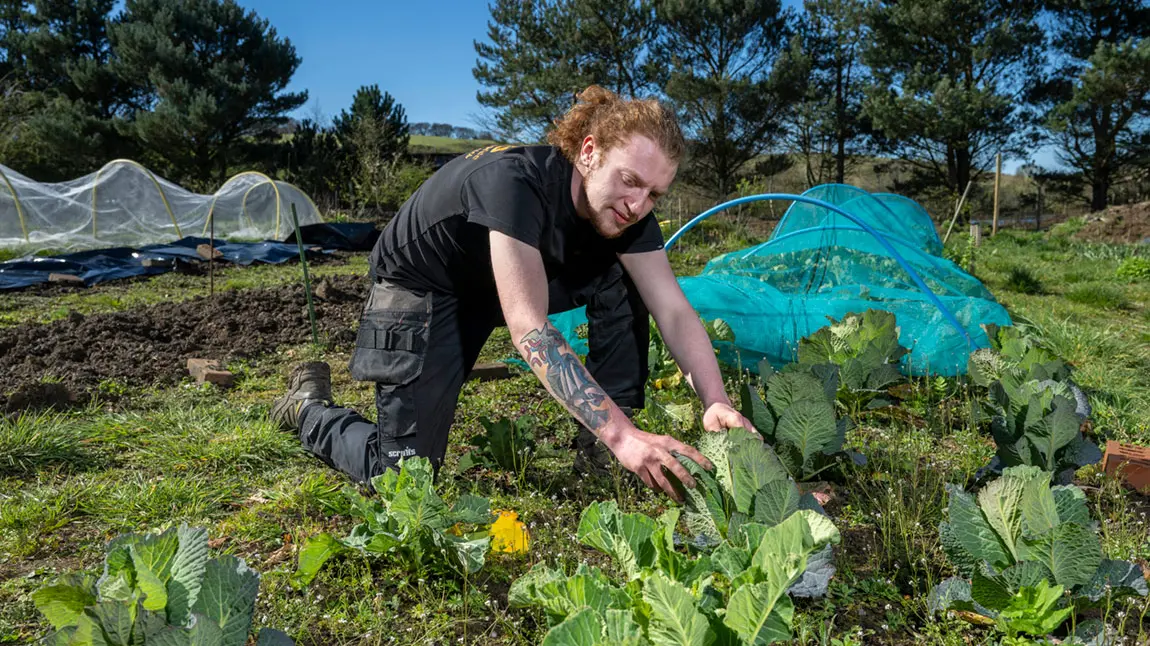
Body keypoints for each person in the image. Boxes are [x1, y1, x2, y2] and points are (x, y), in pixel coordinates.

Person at [271, 85, 754, 502]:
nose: (637, 205)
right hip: (425, 285)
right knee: (401, 479)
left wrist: (716, 400)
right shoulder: (515, 184)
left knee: (630, 275)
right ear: (589, 152)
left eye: (654, 194)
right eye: (630, 181)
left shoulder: (628, 213)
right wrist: (622, 436)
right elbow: (529, 326)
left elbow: (671, 309)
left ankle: (604, 455)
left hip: (506, 280)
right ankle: (308, 408)